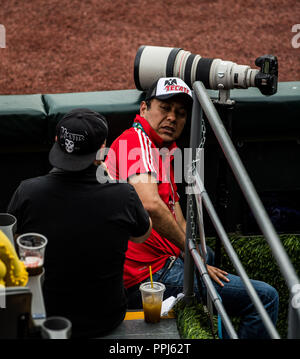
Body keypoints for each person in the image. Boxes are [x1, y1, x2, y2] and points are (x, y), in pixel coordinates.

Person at [105, 77, 279, 339]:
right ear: (143, 109)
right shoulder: (136, 142)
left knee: (205, 254)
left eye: (181, 113)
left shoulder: (167, 148)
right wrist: (192, 258)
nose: (172, 118)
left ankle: (215, 321)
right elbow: (151, 204)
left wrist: (195, 255)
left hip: (164, 262)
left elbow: (174, 208)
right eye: (165, 108)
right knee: (265, 297)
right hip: (145, 278)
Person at [7, 108, 152, 338]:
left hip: (45, 317)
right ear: (103, 148)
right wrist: (110, 180)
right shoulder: (124, 194)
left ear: (57, 141)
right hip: (107, 319)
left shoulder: (27, 191)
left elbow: (11, 242)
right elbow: (142, 234)